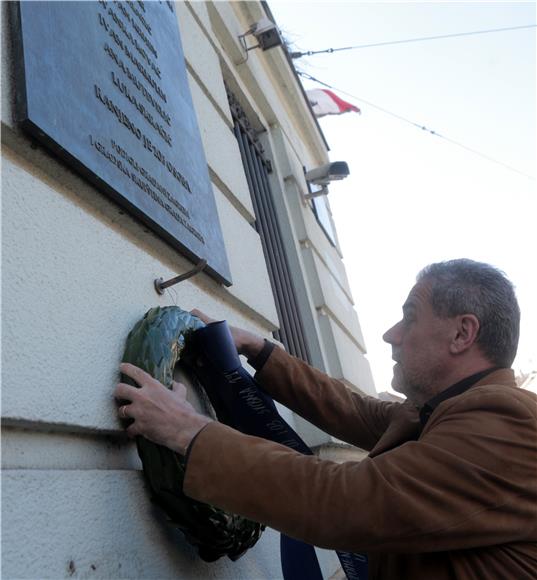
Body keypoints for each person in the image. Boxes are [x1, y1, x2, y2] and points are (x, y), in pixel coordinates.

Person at [115, 259, 537, 579]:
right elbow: (359, 412)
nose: (392, 334)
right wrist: (260, 351)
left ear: (462, 334)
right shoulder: (446, 409)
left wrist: (188, 432)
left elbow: (349, 502)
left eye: (409, 316)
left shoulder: (506, 422)